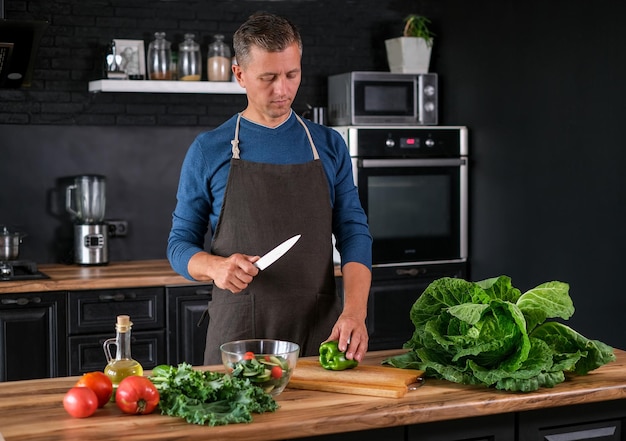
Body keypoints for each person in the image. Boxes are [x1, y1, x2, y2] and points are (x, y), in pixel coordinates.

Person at [167, 12, 372, 365]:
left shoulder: (329, 145)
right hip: (237, 340)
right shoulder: (208, 150)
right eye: (269, 77)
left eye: (292, 74)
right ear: (240, 75)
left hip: (320, 337)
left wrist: (355, 312)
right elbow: (179, 244)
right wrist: (216, 267)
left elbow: (354, 234)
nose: (283, 89)